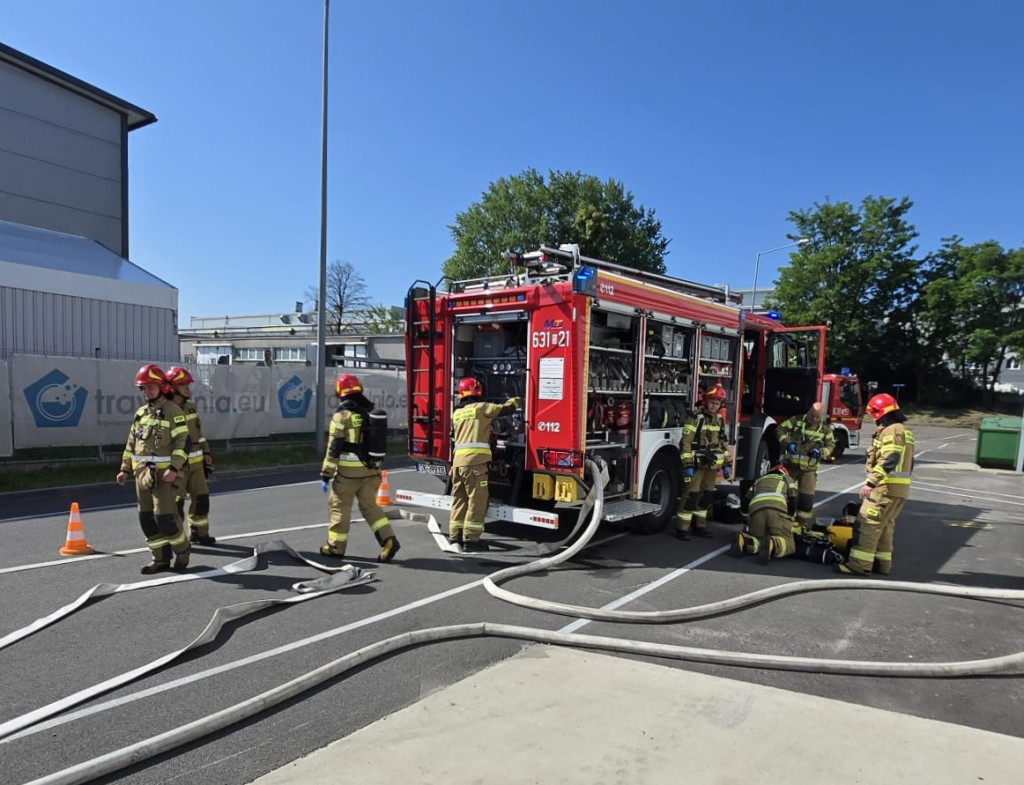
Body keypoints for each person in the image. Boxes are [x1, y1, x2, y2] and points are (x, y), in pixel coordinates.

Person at [115, 364, 191, 574]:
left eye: (150, 387)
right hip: (142, 474)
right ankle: (160, 559)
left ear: (161, 387)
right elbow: (131, 444)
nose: (146, 392)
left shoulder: (172, 411)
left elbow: (183, 442)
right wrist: (125, 470)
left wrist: (174, 468)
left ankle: (182, 551)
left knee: (165, 519)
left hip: (165, 475)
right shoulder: (140, 413)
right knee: (146, 519)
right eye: (143, 388)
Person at [319, 373, 400, 562]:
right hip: (372, 471)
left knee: (339, 507)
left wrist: (326, 473)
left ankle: (335, 547)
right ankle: (389, 539)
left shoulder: (342, 416)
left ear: (340, 391)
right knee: (371, 507)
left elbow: (334, 448)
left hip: (348, 475)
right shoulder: (370, 413)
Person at [836, 393, 915, 576]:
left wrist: (871, 483)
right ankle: (882, 564)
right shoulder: (904, 430)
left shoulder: (891, 431)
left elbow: (890, 458)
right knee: (885, 526)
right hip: (899, 489)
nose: (874, 419)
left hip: (884, 489)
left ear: (879, 413)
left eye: (873, 415)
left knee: (868, 524)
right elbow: (909, 463)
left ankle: (859, 565)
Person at [449, 377, 520, 551]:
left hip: (458, 464)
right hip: (475, 464)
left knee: (459, 499)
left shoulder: (457, 413)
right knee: (477, 500)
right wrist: (517, 399)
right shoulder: (482, 408)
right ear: (477, 391)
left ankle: (454, 536)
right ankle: (471, 540)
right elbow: (505, 409)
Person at [165, 366, 216, 546]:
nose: (188, 389)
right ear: (171, 387)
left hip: (196, 464)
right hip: (177, 466)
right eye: (183, 385)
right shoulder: (165, 410)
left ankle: (199, 533)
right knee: (176, 505)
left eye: (188, 385)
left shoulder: (191, 407)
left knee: (202, 500)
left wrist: (206, 452)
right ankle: (178, 540)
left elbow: (198, 433)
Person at [676, 383, 732, 540]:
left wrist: (726, 463)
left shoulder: (719, 420)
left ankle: (699, 526)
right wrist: (687, 464)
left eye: (717, 403)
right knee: (691, 496)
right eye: (711, 402)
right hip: (696, 465)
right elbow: (685, 443)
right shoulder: (695, 418)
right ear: (706, 401)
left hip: (712, 465)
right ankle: (682, 528)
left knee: (706, 497)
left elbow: (723, 443)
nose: (714, 406)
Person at [778, 402, 835, 529]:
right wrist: (787, 443)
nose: (814, 419)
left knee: (806, 499)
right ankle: (784, 522)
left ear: (821, 416)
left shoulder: (825, 429)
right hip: (790, 466)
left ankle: (802, 525)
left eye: (817, 417)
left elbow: (830, 446)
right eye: (812, 415)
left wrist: (820, 452)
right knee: (787, 496)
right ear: (809, 411)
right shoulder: (796, 420)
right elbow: (780, 429)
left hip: (808, 470)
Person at [732, 464, 794, 564]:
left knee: (758, 538)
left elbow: (745, 501)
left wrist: (745, 517)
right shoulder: (787, 479)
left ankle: (743, 539)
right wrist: (790, 517)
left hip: (756, 511)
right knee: (788, 542)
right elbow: (793, 499)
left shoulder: (759, 480)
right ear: (784, 472)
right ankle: (773, 543)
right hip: (777, 510)